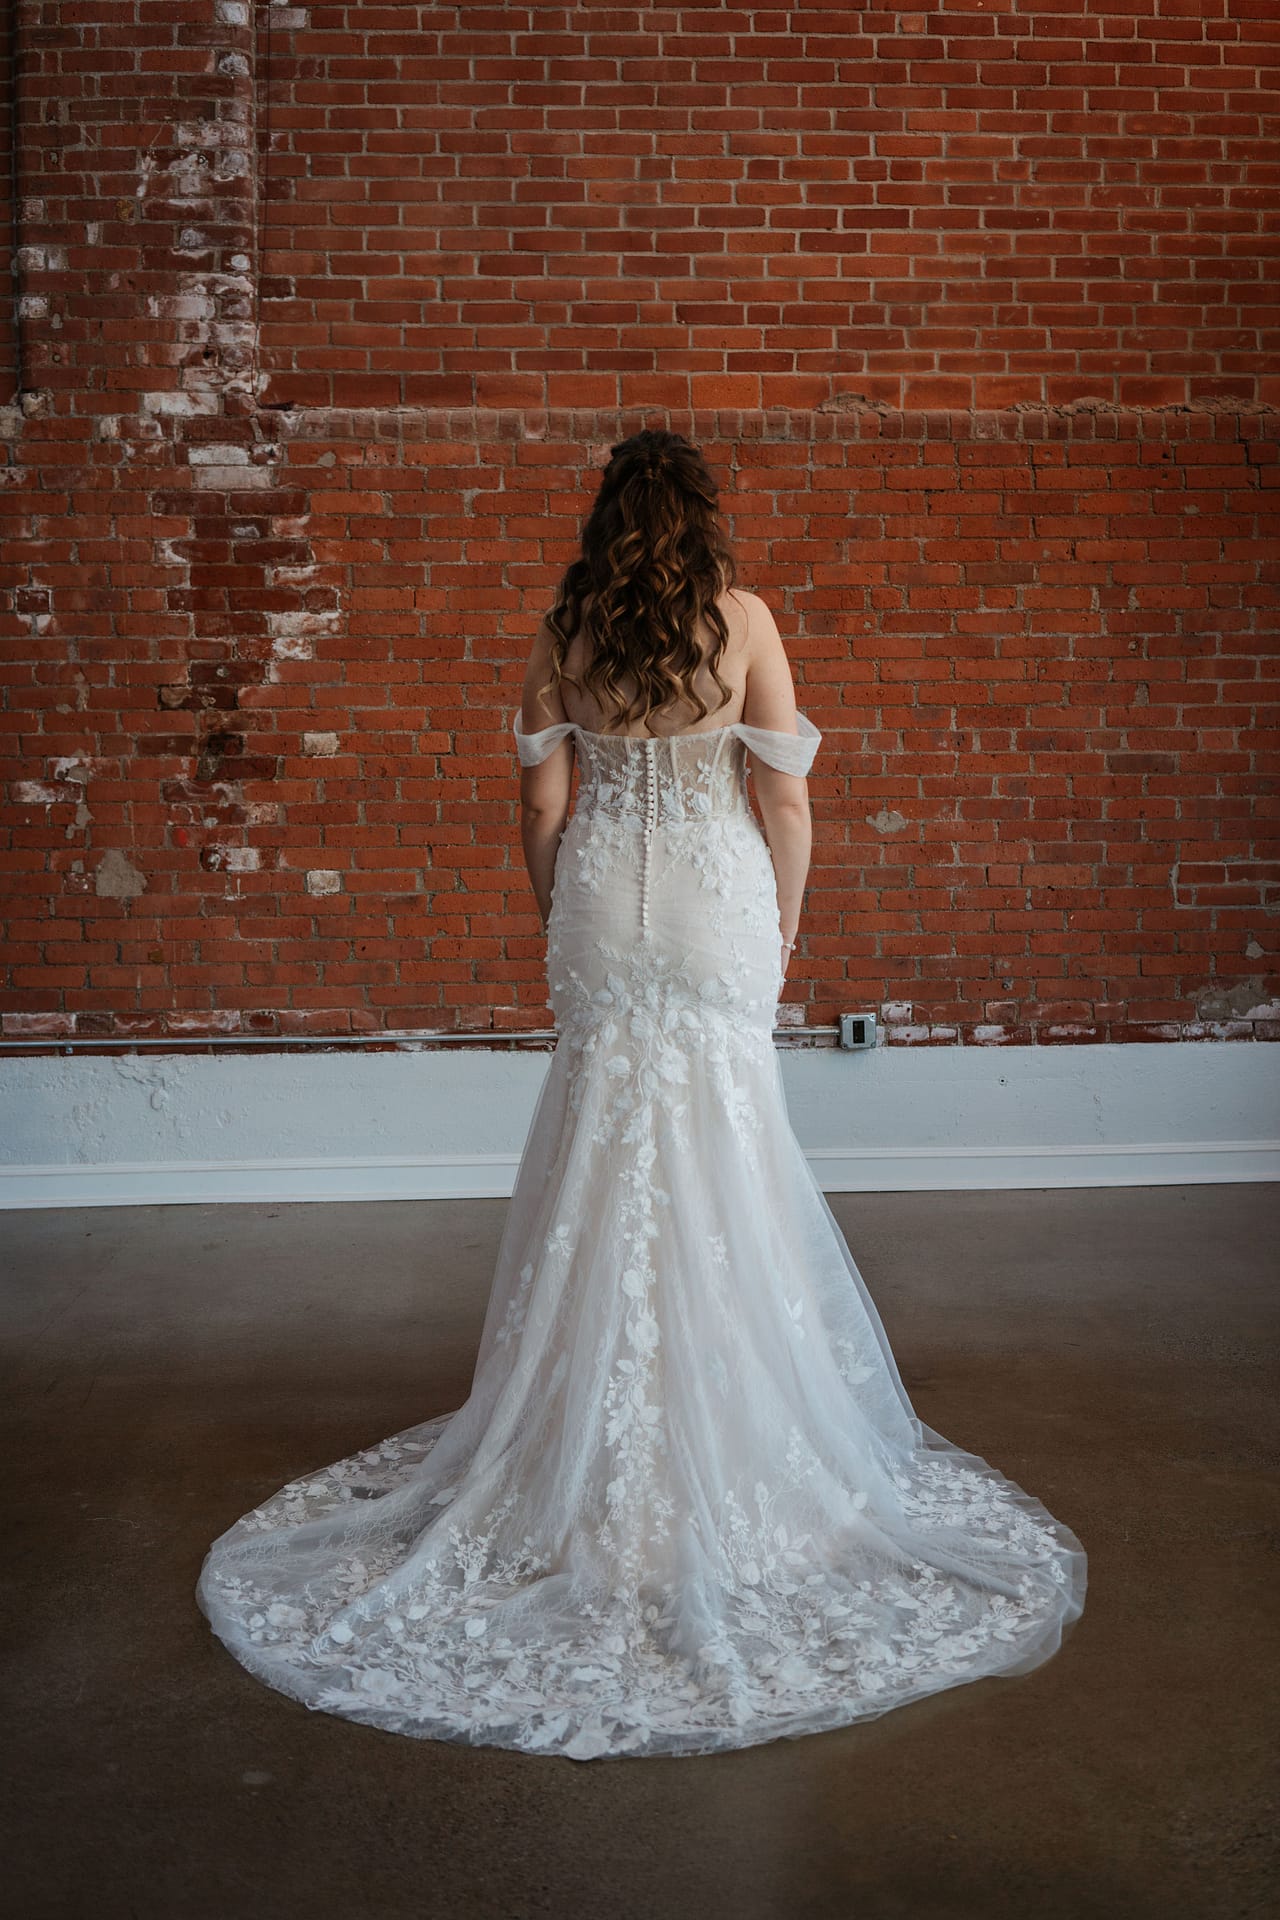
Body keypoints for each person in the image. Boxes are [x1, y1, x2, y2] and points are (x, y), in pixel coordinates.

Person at [197, 429, 1086, 1761]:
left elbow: (541, 805)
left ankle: (584, 1452)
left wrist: (562, 912)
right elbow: (786, 802)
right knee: (726, 1155)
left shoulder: (568, 626)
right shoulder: (746, 621)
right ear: (705, 518)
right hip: (718, 904)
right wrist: (780, 935)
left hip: (610, 899)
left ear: (611, 519)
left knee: (604, 1156)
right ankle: (732, 1444)